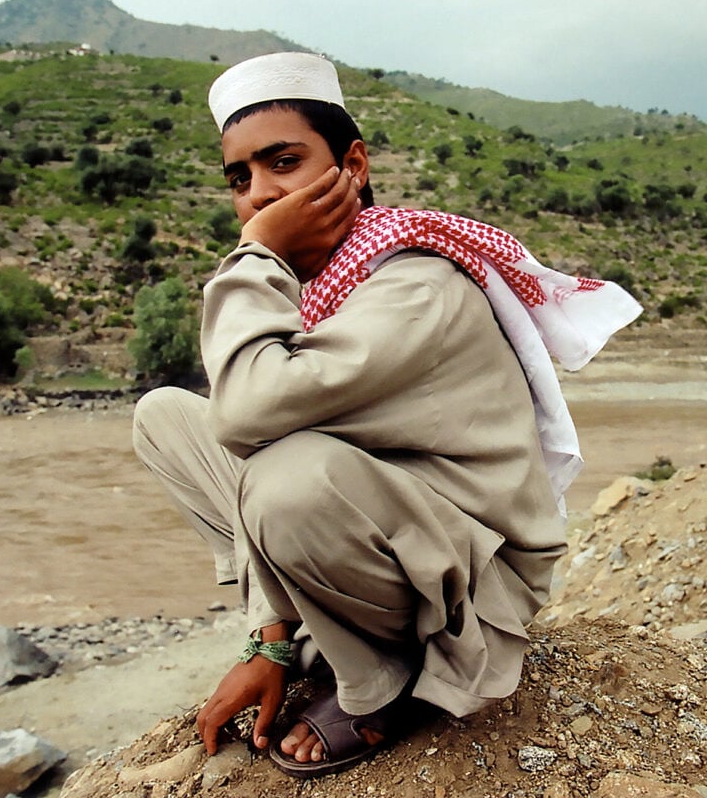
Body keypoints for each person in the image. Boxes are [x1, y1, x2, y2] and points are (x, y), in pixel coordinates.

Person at [133, 52, 642, 778]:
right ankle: (307, 629)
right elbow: (240, 430)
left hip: (471, 576)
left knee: (286, 475)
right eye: (240, 178)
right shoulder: (321, 281)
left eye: (284, 161)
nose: (259, 193)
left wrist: (257, 254)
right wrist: (268, 640)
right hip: (382, 525)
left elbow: (249, 412)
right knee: (166, 417)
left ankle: (385, 684)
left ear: (354, 164)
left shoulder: (412, 282)